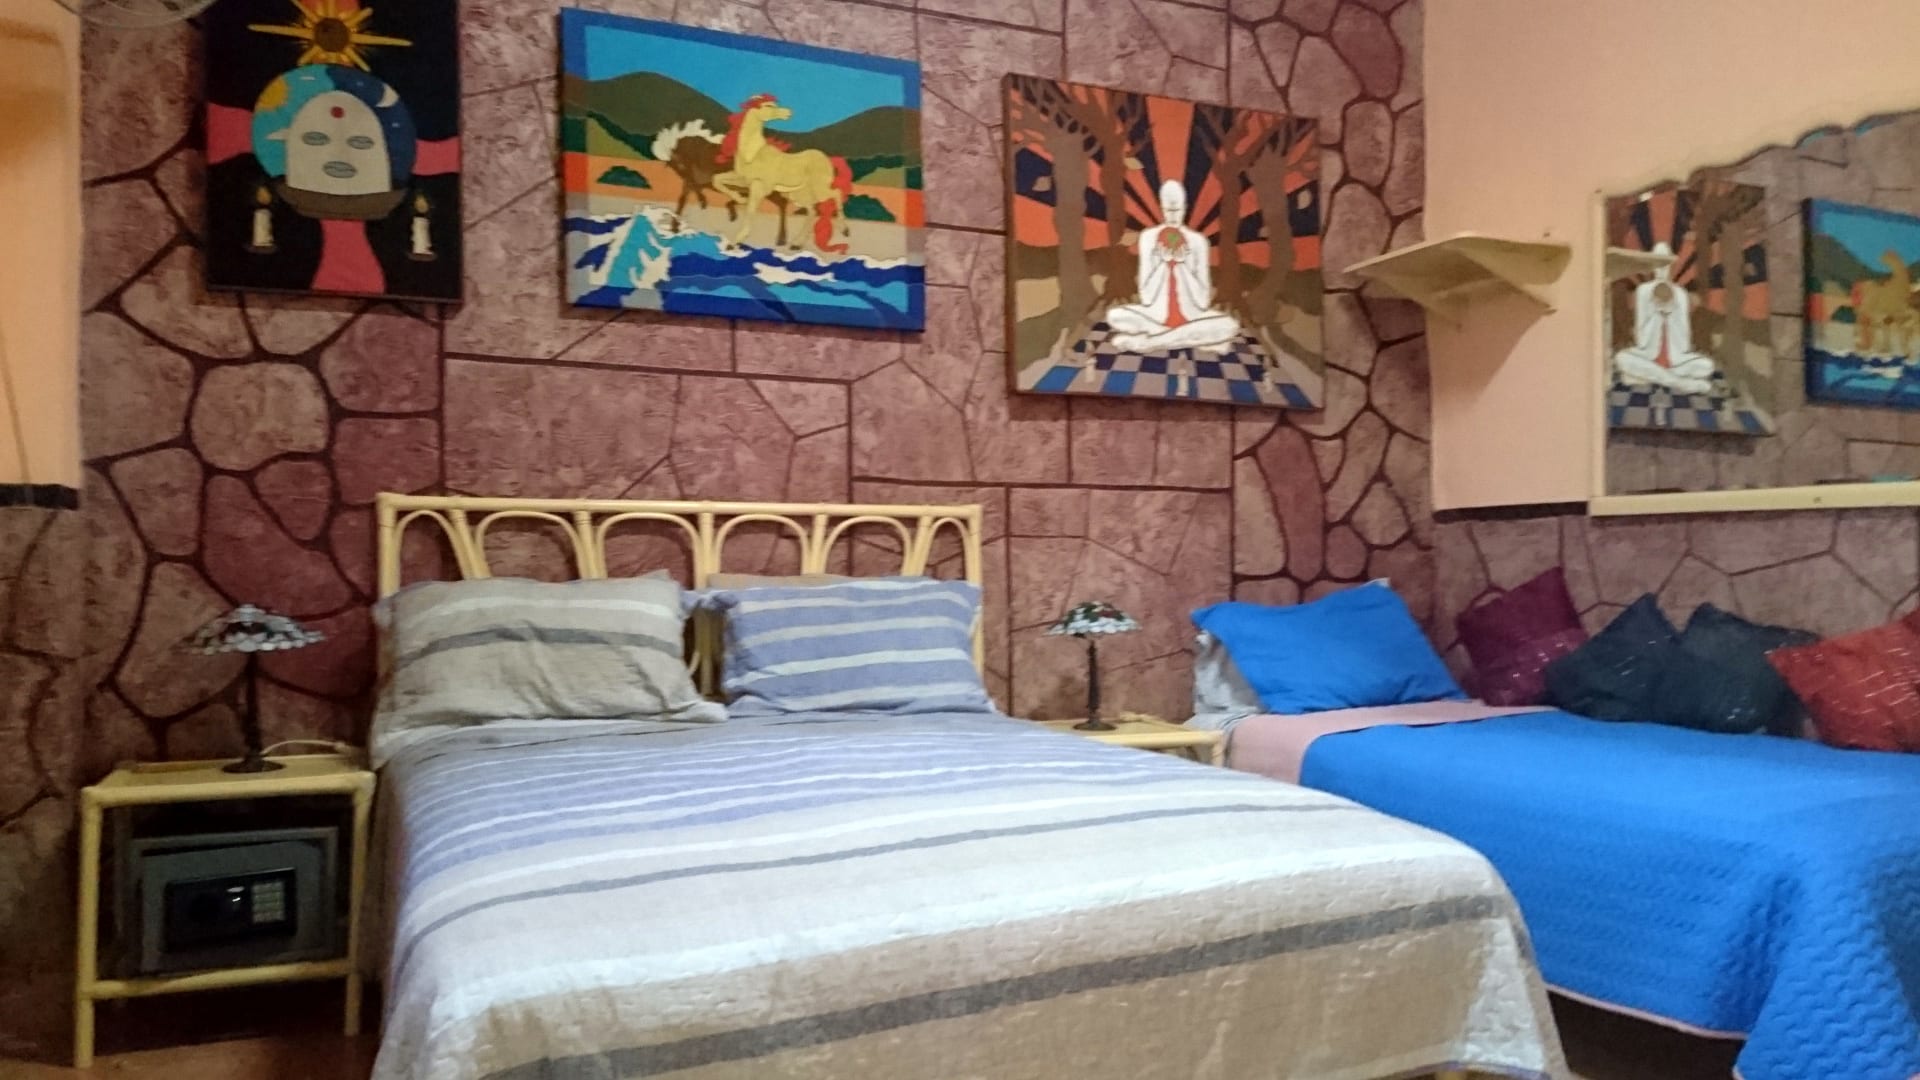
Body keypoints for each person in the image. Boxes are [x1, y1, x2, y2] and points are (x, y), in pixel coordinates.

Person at [1106, 180, 1242, 358]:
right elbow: (1147, 296)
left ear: (1184, 208)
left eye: (1176, 210)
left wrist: (1181, 265)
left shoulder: (1198, 241)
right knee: (1115, 316)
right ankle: (1191, 339)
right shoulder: (1148, 238)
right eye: (1168, 211)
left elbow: (1202, 301)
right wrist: (1163, 265)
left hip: (1192, 315)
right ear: (1161, 209)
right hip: (1154, 316)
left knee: (1230, 325)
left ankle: (1152, 342)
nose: (1172, 216)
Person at [1612, 242, 1719, 394]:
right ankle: (1681, 383)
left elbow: (1684, 337)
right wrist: (1657, 315)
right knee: (1621, 358)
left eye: (1665, 263)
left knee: (1707, 366)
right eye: (1658, 263)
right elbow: (1641, 337)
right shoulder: (1643, 291)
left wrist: (1669, 314)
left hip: (1677, 359)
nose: (1661, 268)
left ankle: (1646, 376)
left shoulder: (1680, 294)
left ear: (1670, 265)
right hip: (1647, 354)